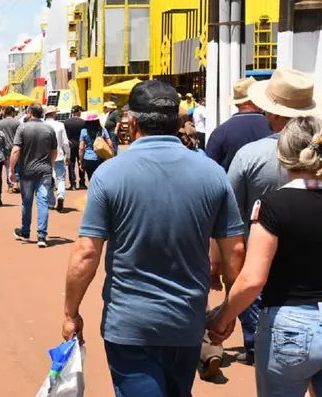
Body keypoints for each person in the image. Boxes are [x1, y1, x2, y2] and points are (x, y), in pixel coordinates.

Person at [61, 80, 246, 397]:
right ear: (177, 121)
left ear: (131, 122)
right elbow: (235, 250)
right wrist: (229, 310)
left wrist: (71, 313)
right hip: (186, 324)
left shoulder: (110, 174)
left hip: (130, 325)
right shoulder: (212, 173)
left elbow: (86, 253)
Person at [208, 115, 322, 397]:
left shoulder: (273, 205)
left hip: (290, 326)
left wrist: (222, 318)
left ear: (282, 156)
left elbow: (253, 279)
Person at [225, 69, 317, 367]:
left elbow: (229, 215)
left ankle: (252, 346)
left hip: (275, 287)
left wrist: (221, 315)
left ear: (273, 113)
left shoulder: (250, 155)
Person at [9, 103, 57, 248]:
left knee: (27, 202)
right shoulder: (49, 129)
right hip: (44, 171)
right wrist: (49, 164)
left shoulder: (22, 128)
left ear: (30, 112)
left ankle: (25, 231)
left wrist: (11, 170)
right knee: (42, 202)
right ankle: (42, 235)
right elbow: (54, 151)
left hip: (27, 171)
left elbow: (16, 151)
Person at [206, 77, 273, 172]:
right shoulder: (275, 126)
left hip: (233, 185)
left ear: (237, 103)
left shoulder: (220, 132)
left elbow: (210, 170)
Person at [44, 106, 70, 211]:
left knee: (48, 180)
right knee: (61, 179)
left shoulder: (42, 125)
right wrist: (68, 154)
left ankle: (50, 202)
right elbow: (65, 142)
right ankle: (60, 196)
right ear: (53, 114)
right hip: (58, 155)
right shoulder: (60, 125)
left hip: (45, 157)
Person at [78, 111, 113, 180]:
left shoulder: (84, 131)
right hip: (101, 157)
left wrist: (81, 160)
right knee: (101, 179)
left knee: (91, 179)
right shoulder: (102, 130)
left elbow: (81, 147)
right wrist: (111, 155)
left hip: (88, 157)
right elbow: (110, 144)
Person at [63, 106, 86, 190]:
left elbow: (65, 135)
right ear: (78, 112)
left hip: (70, 144)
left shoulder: (66, 122)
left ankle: (73, 184)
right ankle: (82, 183)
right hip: (80, 144)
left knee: (71, 164)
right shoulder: (83, 122)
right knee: (81, 163)